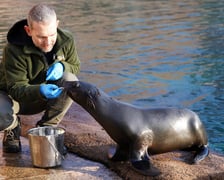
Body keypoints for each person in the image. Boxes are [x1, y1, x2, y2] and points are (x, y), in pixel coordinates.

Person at [0, 4, 80, 153]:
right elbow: (15, 88)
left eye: (52, 35)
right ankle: (13, 126)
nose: (48, 41)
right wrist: (41, 90)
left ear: (57, 25)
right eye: (42, 37)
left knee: (71, 79)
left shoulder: (67, 40)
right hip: (13, 99)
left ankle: (46, 129)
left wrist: (63, 67)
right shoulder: (12, 50)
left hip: (45, 98)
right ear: (28, 31)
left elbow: (75, 65)